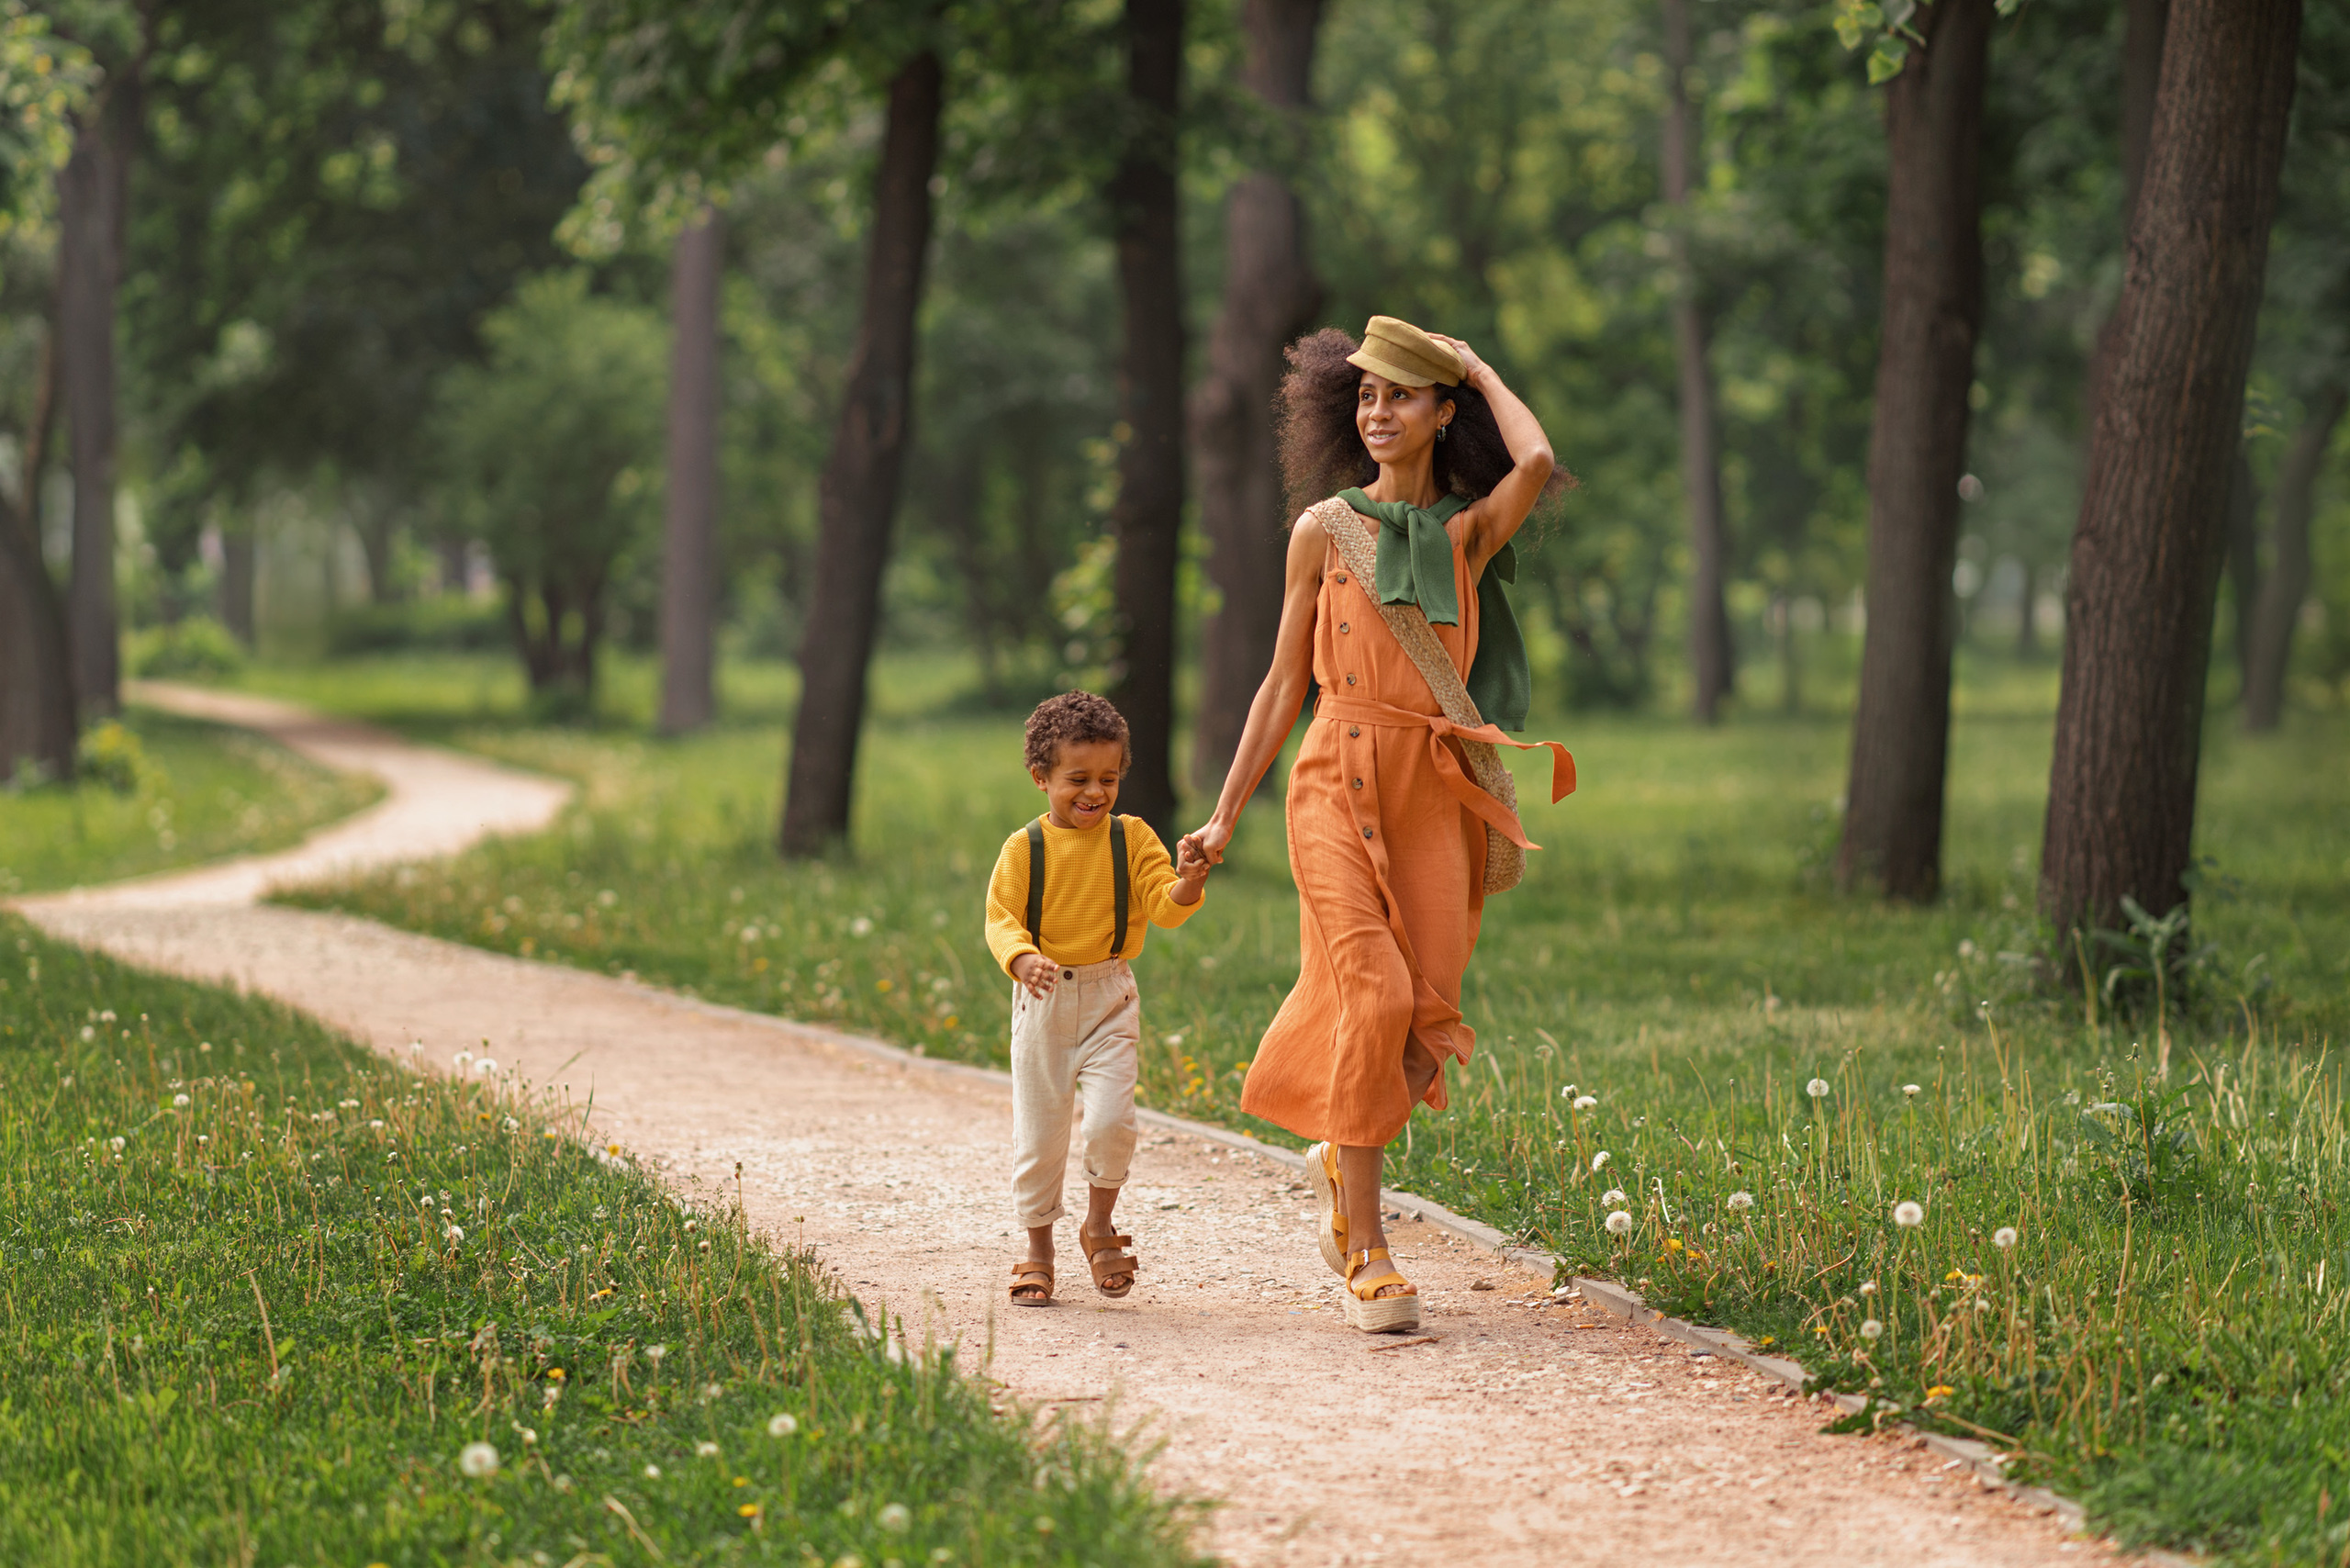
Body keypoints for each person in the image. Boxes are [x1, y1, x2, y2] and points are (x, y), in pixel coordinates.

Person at [1182, 317, 1572, 1333]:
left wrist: (1479, 365)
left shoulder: (1465, 534)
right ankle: (1367, 1244)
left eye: (1402, 394)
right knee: (1372, 985)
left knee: (1416, 1018)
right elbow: (1278, 685)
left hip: (1431, 790)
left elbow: (1534, 456)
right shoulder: (1322, 527)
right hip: (1331, 775)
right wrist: (1223, 818)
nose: (1378, 411)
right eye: (1364, 396)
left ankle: (1336, 1156)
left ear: (1444, 412)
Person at [985, 691, 1212, 1307]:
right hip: (1043, 1002)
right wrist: (1022, 956)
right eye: (1077, 779)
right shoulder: (1023, 849)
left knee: (1113, 1120)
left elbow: (1162, 905)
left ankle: (1100, 1224)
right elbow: (1000, 918)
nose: (1095, 792)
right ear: (1041, 778)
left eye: (1108, 778)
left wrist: (1188, 883)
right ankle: (1038, 1249)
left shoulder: (1132, 839)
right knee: (1041, 1137)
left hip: (1110, 994)